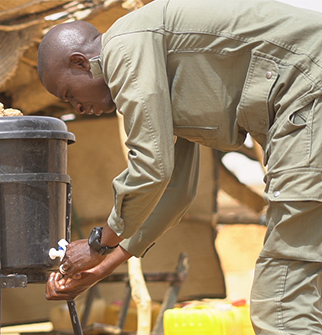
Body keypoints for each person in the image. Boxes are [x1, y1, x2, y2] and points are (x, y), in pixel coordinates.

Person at [37, 0, 322, 333]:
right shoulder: (159, 71)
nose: (78, 107)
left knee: (281, 303)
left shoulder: (124, 47)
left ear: (81, 63)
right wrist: (102, 266)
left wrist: (98, 243)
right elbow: (176, 190)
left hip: (309, 86)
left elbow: (151, 166)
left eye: (70, 94)